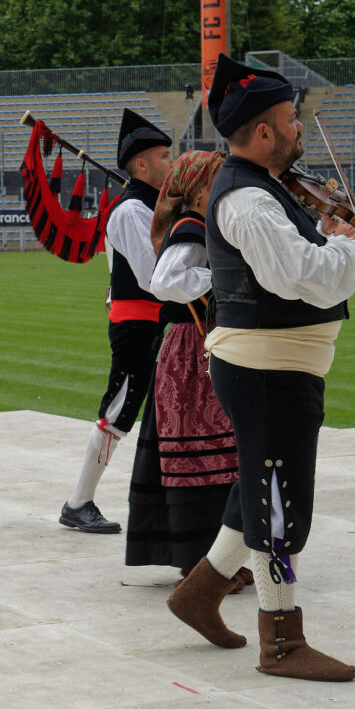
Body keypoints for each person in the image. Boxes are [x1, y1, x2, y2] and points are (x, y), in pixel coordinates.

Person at [166, 54, 355, 682]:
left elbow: (300, 266)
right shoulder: (249, 200)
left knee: (259, 489)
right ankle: (282, 643)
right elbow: (302, 280)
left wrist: (342, 241)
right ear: (265, 132)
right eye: (292, 121)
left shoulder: (264, 192)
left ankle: (198, 595)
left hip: (277, 366)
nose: (301, 130)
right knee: (279, 501)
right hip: (267, 369)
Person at [124, 151, 250, 591]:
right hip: (190, 351)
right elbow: (164, 281)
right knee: (200, 455)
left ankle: (215, 559)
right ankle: (203, 564)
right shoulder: (190, 227)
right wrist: (222, 276)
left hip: (201, 346)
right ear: (198, 189)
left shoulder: (200, 225)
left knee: (218, 455)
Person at [59, 110, 174, 534]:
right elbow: (154, 278)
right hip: (138, 324)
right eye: (164, 155)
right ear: (141, 164)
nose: (172, 162)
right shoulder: (130, 212)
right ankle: (79, 502)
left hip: (156, 323)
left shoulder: (152, 205)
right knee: (119, 412)